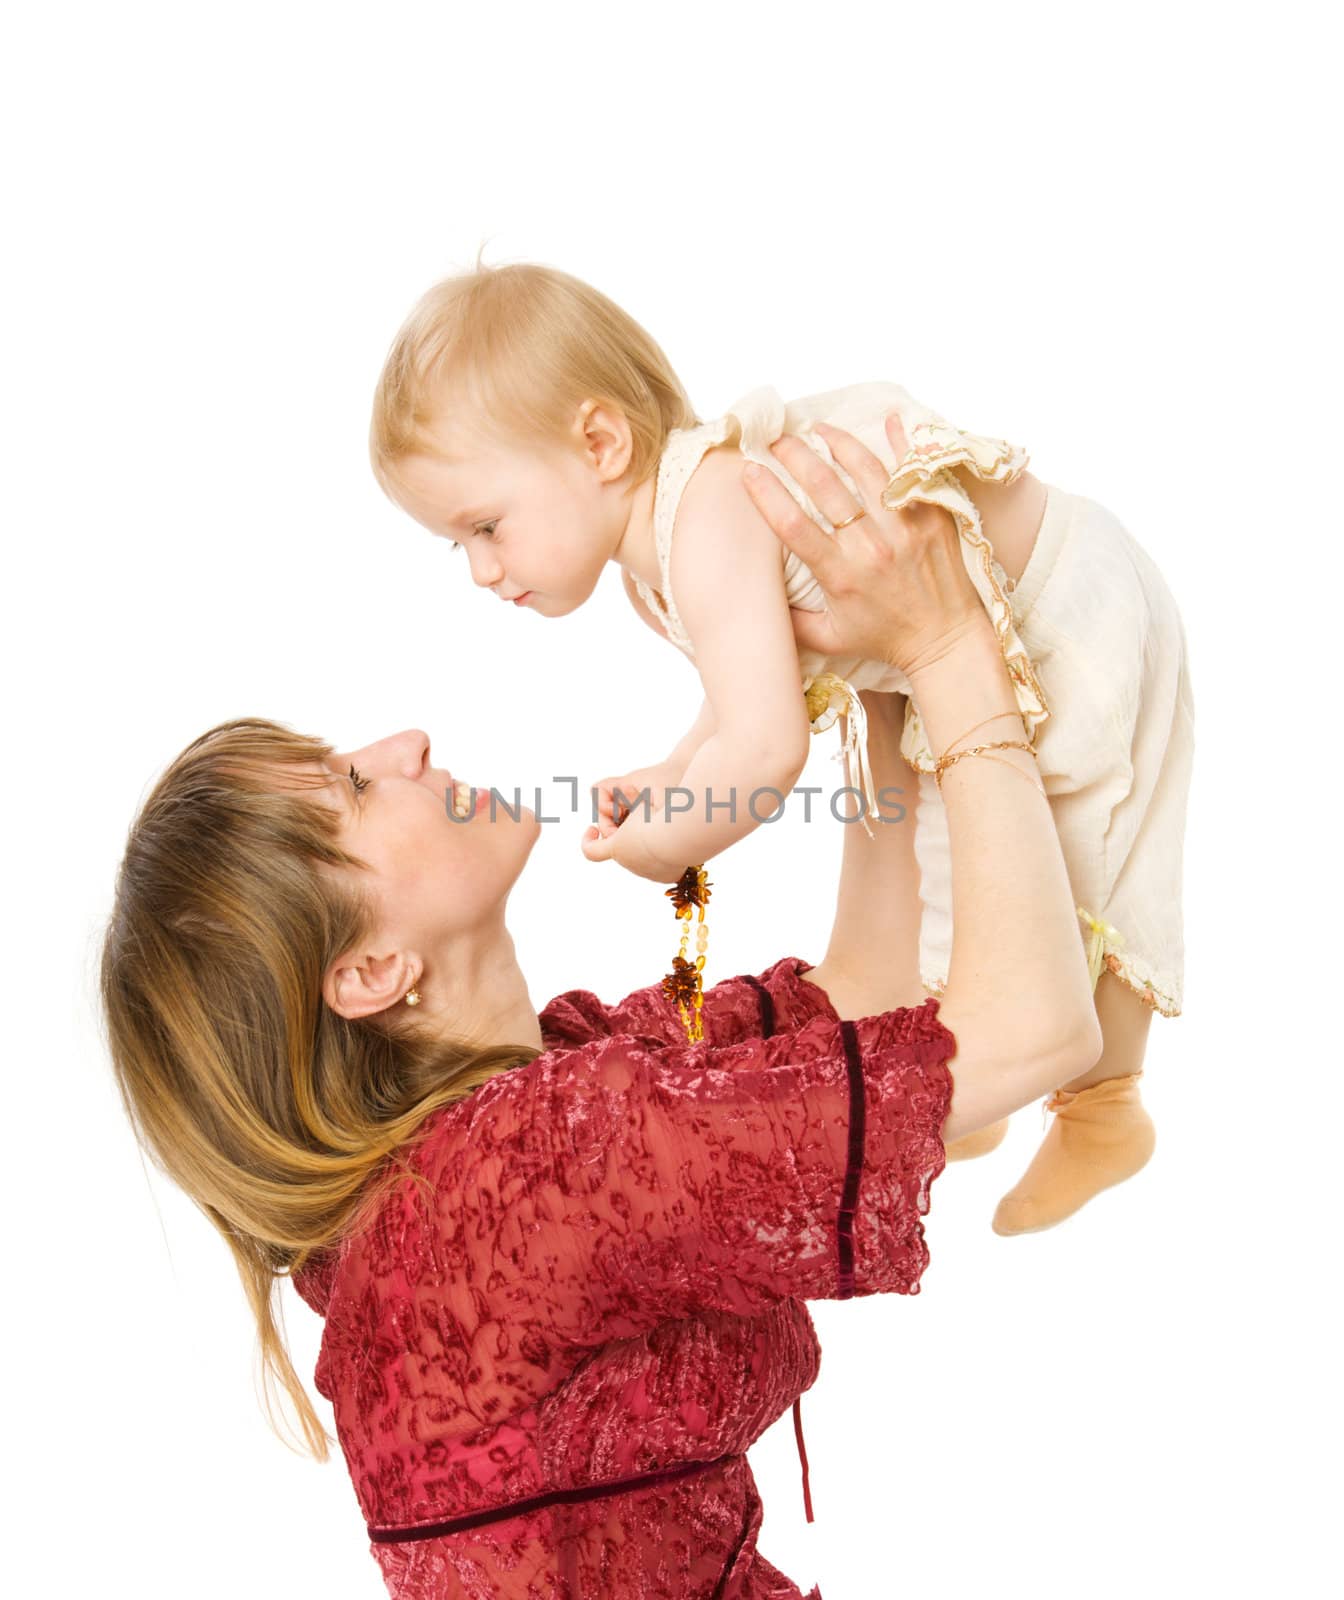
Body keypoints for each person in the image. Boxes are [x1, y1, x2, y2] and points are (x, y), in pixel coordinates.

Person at [100, 438, 1103, 1599]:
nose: (407, 743)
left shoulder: (500, 1136)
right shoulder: (531, 1171)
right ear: (370, 970)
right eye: (355, 787)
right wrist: (950, 645)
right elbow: (1035, 1031)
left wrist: (874, 677)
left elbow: (866, 991)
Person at [368, 261, 1195, 1233]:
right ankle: (972, 1084)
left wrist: (673, 841)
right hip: (971, 643)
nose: (479, 568)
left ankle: (1105, 1108)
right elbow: (736, 706)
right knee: (957, 866)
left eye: (484, 525)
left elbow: (766, 751)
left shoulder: (708, 517)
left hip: (1066, 612)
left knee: (1077, 862)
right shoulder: (659, 558)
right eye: (454, 543)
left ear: (598, 441)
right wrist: (673, 779)